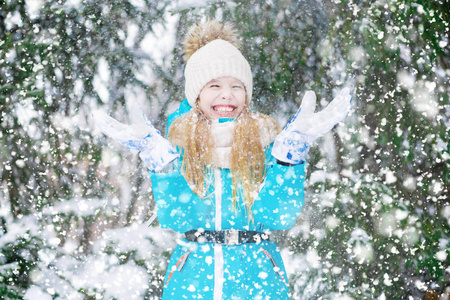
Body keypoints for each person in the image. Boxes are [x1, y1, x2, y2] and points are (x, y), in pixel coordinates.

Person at [93, 20, 351, 300]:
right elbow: (178, 217)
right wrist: (162, 164)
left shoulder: (265, 142)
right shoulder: (179, 145)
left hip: (256, 280)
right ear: (197, 94)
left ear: (247, 94)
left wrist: (289, 159)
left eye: (236, 86)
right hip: (192, 280)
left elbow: (279, 215)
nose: (226, 94)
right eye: (214, 84)